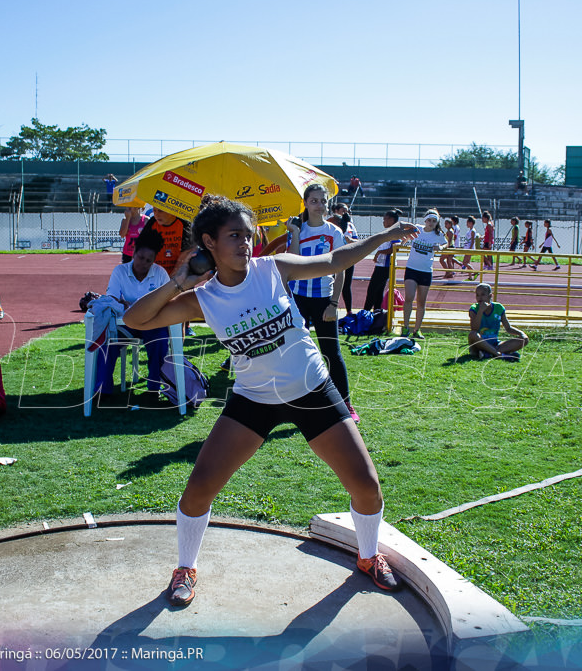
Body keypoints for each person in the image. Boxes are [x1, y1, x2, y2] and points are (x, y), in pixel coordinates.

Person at [123, 194, 419, 607]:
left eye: (248, 235)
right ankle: (185, 567)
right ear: (208, 242)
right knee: (199, 487)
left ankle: (369, 557)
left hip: (312, 389)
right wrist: (178, 281)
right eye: (234, 236)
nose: (245, 243)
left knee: (367, 487)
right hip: (254, 399)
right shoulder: (202, 298)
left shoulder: (271, 269)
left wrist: (384, 236)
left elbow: (335, 261)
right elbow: (135, 320)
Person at [287, 184, 358, 421]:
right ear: (305, 203)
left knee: (331, 353)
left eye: (323, 201)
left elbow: (341, 270)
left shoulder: (334, 232)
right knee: (296, 352)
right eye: (314, 201)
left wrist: (334, 303)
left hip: (324, 299)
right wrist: (295, 234)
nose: (320, 205)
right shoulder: (297, 229)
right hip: (298, 299)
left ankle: (346, 404)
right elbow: (293, 263)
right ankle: (298, 402)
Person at [96, 228, 171, 396]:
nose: (143, 263)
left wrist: (129, 304)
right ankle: (103, 390)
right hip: (125, 325)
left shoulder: (160, 274)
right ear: (133, 253)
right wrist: (145, 305)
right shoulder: (120, 271)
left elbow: (167, 303)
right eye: (140, 257)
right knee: (107, 343)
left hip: (152, 325)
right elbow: (112, 301)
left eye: (148, 260)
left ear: (154, 261)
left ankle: (154, 388)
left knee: (160, 341)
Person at [401, 209, 447, 339]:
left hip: (426, 271)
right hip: (412, 269)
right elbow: (406, 236)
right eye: (429, 220)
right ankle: (405, 328)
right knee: (409, 297)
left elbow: (446, 243)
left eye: (434, 221)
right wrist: (404, 241)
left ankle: (417, 329)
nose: (431, 223)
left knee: (421, 302)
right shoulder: (418, 229)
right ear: (425, 220)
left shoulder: (438, 234)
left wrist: (441, 248)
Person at [467, 283, 529, 361]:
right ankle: (499, 354)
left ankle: (488, 353)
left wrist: (522, 334)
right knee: (472, 334)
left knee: (524, 340)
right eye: (477, 295)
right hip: (478, 344)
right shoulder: (474, 309)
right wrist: (480, 311)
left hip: (495, 343)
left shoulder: (499, 308)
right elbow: (474, 328)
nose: (480, 298)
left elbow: (508, 328)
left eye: (483, 294)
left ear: (490, 296)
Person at [363, 208, 401, 313]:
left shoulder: (394, 232)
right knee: (378, 291)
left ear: (391, 220)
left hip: (386, 266)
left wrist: (379, 253)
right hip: (381, 265)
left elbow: (395, 247)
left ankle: (365, 312)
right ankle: (376, 313)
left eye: (385, 219)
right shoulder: (387, 232)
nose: (383, 222)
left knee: (372, 290)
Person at [328, 202, 359, 315]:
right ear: (336, 211)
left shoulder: (350, 225)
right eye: (343, 210)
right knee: (330, 283)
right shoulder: (331, 223)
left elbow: (357, 241)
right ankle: (327, 308)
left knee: (346, 285)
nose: (346, 212)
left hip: (348, 258)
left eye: (347, 210)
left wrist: (351, 241)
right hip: (333, 258)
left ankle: (349, 311)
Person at [143, 207, 192, 275]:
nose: (156, 215)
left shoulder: (183, 223)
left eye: (160, 211)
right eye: (154, 210)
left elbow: (187, 251)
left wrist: (173, 275)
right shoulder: (152, 222)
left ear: (171, 211)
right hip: (156, 273)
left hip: (179, 274)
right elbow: (141, 246)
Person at [460, 216, 478, 280]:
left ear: (471, 223)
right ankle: (470, 277)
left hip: (469, 248)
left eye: (467, 223)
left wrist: (470, 248)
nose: (466, 224)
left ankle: (475, 272)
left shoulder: (472, 231)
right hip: (467, 247)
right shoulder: (469, 231)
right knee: (467, 262)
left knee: (465, 263)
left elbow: (473, 240)